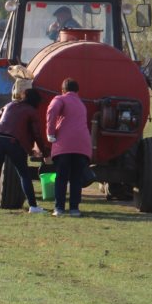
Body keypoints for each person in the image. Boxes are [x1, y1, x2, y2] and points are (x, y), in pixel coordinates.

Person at [0, 88, 49, 214]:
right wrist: (44, 152)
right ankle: (33, 206)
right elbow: (37, 134)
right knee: (24, 174)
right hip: (14, 143)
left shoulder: (9, 105)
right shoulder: (31, 111)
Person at [46, 78, 92, 216]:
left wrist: (50, 133)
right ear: (77, 91)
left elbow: (51, 111)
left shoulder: (60, 99)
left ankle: (59, 208)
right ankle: (74, 209)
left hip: (65, 145)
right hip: (82, 145)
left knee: (61, 177)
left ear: (63, 90)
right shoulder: (81, 104)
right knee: (76, 178)